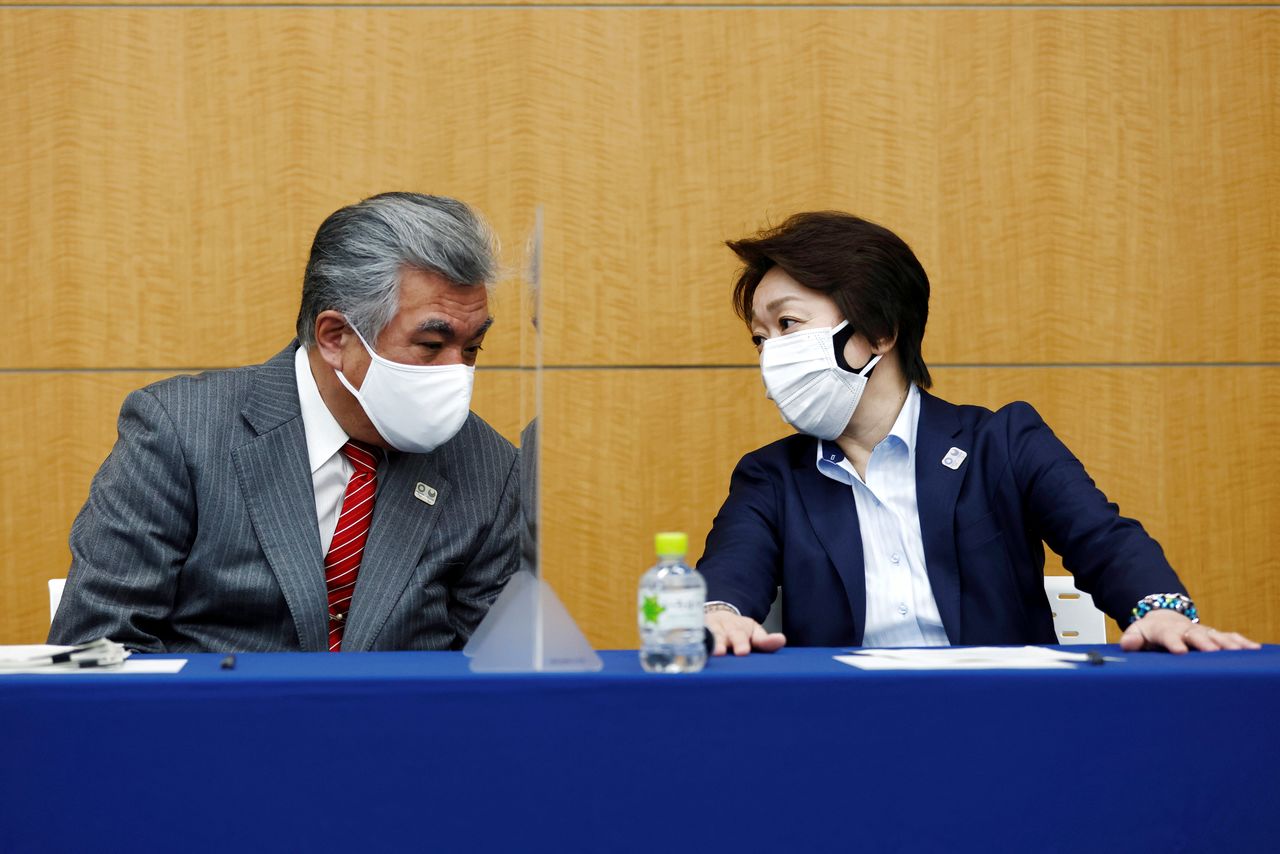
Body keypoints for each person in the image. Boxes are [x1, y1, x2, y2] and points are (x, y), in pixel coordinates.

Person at [700, 211, 1260, 657]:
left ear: (877, 333)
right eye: (760, 338)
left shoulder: (1004, 442)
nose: (772, 353)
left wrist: (1157, 609)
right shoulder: (771, 476)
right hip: (848, 733)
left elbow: (1102, 539)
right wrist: (719, 612)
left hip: (1005, 724)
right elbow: (732, 570)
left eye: (788, 325)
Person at [50, 192, 520, 653]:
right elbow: (98, 648)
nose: (456, 373)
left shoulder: (488, 467)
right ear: (335, 336)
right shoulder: (179, 432)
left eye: (472, 348)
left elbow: (501, 678)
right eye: (431, 346)